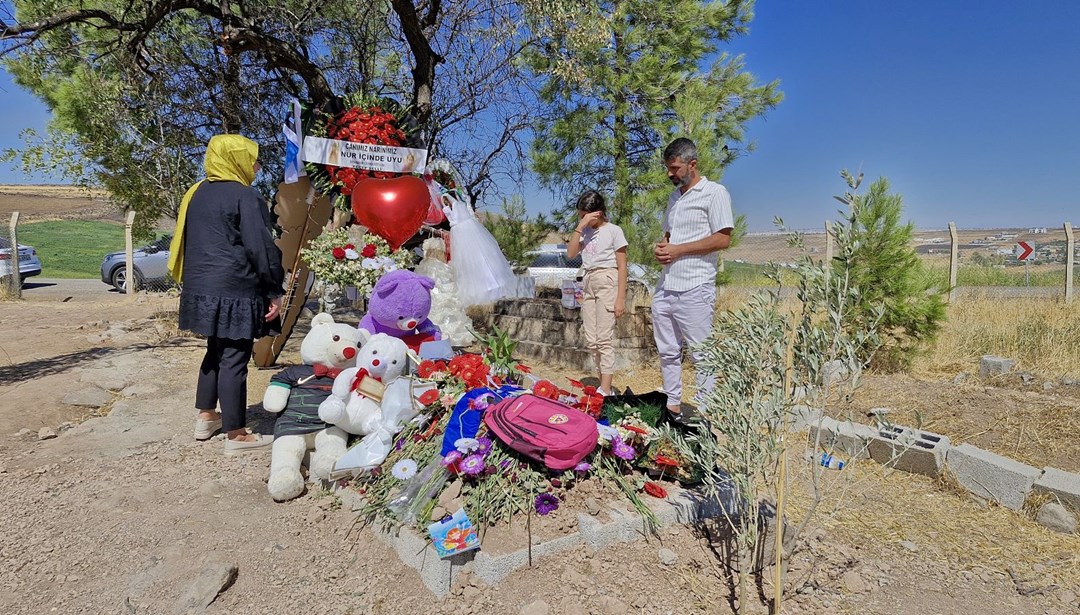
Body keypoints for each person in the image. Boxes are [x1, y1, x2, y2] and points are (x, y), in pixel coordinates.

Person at [168, 134, 285, 454]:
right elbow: (260, 247)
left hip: (202, 287)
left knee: (215, 350)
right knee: (235, 356)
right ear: (236, 159)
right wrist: (275, 289)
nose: (258, 166)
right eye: (253, 159)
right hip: (236, 288)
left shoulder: (196, 193)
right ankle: (237, 434)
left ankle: (207, 416)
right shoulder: (245, 196)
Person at [652, 137, 734, 423]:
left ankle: (705, 414)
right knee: (667, 351)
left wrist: (678, 250)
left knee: (702, 354)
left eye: (674, 168)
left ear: (692, 164)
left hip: (695, 286)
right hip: (666, 286)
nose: (670, 174)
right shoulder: (674, 197)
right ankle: (672, 408)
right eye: (668, 168)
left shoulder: (715, 193)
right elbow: (668, 236)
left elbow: (723, 238)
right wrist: (661, 247)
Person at [567, 190, 628, 396]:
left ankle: (606, 389)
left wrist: (620, 298)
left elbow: (622, 265)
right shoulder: (584, 231)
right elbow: (571, 253)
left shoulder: (614, 231)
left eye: (584, 215)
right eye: (580, 215)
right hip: (589, 280)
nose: (581, 218)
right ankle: (602, 385)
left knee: (604, 338)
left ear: (598, 213)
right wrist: (580, 227)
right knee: (592, 339)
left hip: (607, 280)